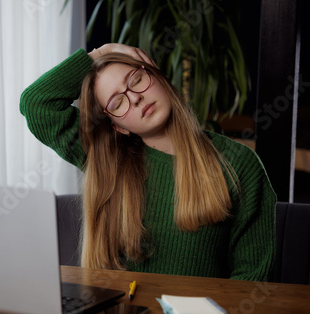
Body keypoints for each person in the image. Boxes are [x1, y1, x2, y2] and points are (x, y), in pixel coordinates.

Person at [20, 43, 276, 281]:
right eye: (117, 103)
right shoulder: (106, 160)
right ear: (117, 127)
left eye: (137, 80)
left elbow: (252, 280)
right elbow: (36, 103)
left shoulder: (238, 164)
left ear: (158, 76)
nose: (134, 98)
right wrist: (101, 52)